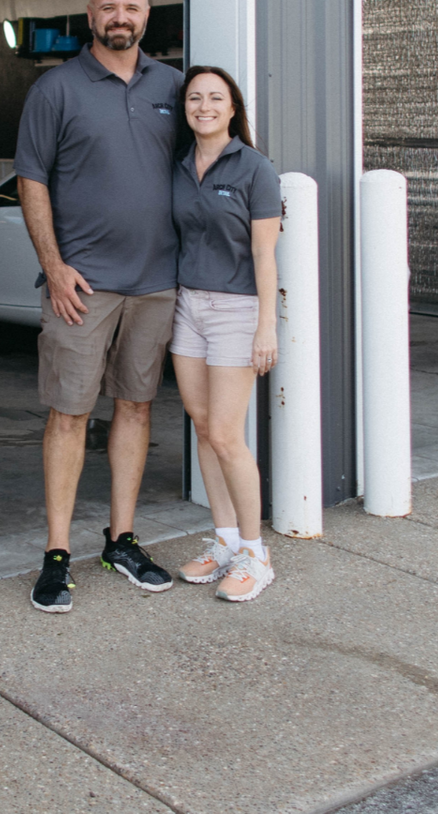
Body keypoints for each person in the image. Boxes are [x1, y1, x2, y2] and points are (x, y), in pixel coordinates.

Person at [14, 0, 182, 612]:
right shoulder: (55, 89)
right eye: (109, 6)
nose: (121, 16)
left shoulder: (172, 87)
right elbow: (32, 181)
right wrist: (54, 266)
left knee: (136, 407)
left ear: (147, 15)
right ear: (90, 15)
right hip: (81, 287)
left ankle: (121, 540)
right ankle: (57, 554)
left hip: (156, 283)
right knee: (70, 413)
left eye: (132, 7)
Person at [170, 65, 282, 602]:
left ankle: (256, 555)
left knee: (226, 435)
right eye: (195, 97)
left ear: (232, 107)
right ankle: (225, 540)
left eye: (215, 97)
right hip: (187, 305)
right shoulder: (178, 166)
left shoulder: (256, 169)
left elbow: (265, 253)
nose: (204, 105)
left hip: (237, 310)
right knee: (201, 424)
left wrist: (267, 326)